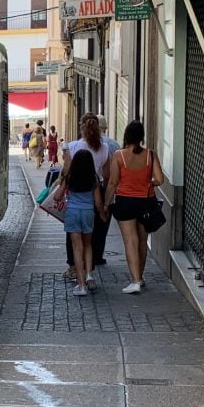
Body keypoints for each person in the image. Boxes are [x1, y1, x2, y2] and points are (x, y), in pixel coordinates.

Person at [105, 120, 165, 294]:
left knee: (130, 241)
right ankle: (140, 276)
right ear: (141, 137)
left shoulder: (119, 155)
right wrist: (149, 184)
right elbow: (160, 180)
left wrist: (106, 202)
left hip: (125, 202)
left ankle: (135, 280)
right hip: (146, 202)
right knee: (141, 240)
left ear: (126, 136)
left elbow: (113, 182)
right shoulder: (150, 155)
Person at [62, 114, 112, 279]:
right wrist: (104, 204)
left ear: (81, 127)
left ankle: (74, 267)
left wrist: (62, 185)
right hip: (95, 191)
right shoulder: (104, 148)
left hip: (76, 192)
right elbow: (106, 175)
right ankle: (90, 269)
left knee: (73, 235)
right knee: (91, 235)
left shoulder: (73, 146)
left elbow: (66, 171)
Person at [61, 148, 107, 296]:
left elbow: (56, 197)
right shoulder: (93, 179)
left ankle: (81, 285)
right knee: (88, 245)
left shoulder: (69, 177)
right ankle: (89, 275)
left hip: (73, 213)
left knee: (77, 248)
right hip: (88, 213)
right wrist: (102, 213)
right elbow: (98, 202)